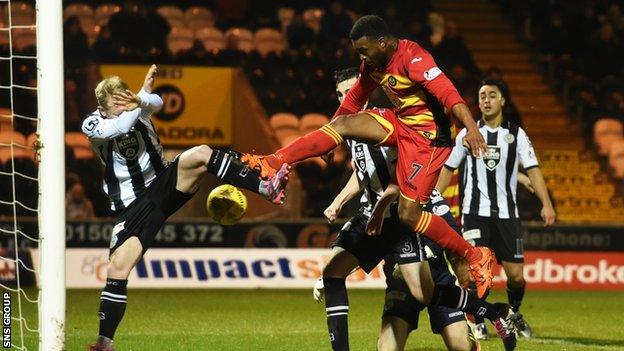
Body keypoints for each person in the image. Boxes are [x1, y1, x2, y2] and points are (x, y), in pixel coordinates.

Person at [242, 15, 494, 298]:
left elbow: (449, 94)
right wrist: (330, 142)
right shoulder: (373, 63)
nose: (361, 56)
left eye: (364, 49)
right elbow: (352, 101)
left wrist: (472, 128)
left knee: (409, 215)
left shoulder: (414, 59)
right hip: (401, 122)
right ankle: (275, 160)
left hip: (430, 138)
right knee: (342, 123)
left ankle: (475, 255)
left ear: (383, 43)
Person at [85, 65, 289, 351]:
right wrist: (140, 99)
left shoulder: (137, 106)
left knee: (200, 153)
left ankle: (264, 186)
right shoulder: (93, 124)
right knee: (118, 267)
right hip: (134, 204)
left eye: (124, 103)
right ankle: (105, 343)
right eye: (115, 106)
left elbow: (156, 102)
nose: (122, 110)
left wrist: (143, 98)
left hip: (163, 183)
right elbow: (119, 127)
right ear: (102, 107)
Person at [311, 68, 515, 351]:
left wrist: (383, 205)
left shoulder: (385, 124)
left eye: (351, 91)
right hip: (373, 215)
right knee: (332, 273)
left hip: (399, 217)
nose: (347, 98)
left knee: (427, 290)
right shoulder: (349, 128)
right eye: (341, 94)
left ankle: (488, 311)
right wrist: (338, 202)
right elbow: (364, 172)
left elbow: (404, 179)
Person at [436, 78, 556, 340]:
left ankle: (513, 313)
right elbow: (448, 169)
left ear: (503, 101)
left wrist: (546, 203)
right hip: (475, 214)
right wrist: (432, 197)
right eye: (482, 96)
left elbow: (532, 169)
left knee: (516, 277)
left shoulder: (516, 135)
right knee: (479, 272)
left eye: (492, 95)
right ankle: (477, 319)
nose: (486, 100)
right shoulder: (468, 136)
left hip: (507, 216)